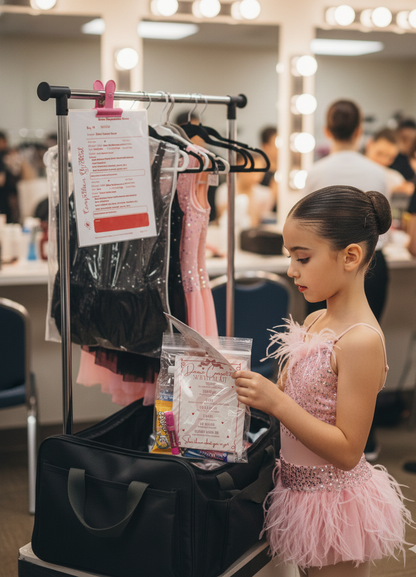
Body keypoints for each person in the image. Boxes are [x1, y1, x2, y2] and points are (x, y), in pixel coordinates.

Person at [233, 185, 412, 576]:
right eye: (289, 257)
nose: (291, 269)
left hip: (336, 502)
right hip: (296, 492)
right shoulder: (315, 321)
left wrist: (276, 402)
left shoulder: (361, 340)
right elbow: (295, 405)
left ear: (350, 256)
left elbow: (349, 450)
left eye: (303, 257)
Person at [215, 152, 275, 228]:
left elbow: (260, 221)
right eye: (252, 170)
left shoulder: (266, 194)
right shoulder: (224, 191)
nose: (256, 176)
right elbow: (220, 218)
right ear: (238, 167)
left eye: (259, 171)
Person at [365, 128, 414, 197]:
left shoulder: (395, 178)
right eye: (380, 153)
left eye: (390, 158)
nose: (383, 160)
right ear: (369, 144)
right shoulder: (353, 168)